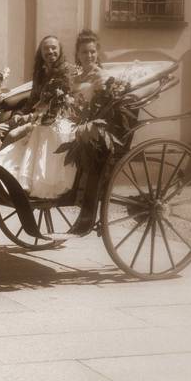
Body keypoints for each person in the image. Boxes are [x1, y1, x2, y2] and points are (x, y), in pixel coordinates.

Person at [0, 35, 83, 198]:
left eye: (53, 48)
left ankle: (5, 180)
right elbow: (33, 100)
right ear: (41, 53)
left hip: (57, 120)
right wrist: (19, 115)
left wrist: (29, 118)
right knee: (9, 130)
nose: (50, 51)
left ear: (60, 50)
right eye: (46, 49)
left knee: (13, 135)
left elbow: (58, 105)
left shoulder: (66, 72)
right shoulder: (40, 73)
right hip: (40, 118)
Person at [66, 29, 109, 235]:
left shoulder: (101, 76)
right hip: (73, 119)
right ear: (78, 55)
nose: (89, 56)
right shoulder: (75, 77)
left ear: (97, 52)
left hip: (90, 122)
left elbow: (102, 107)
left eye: (92, 52)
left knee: (62, 135)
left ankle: (77, 199)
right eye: (84, 53)